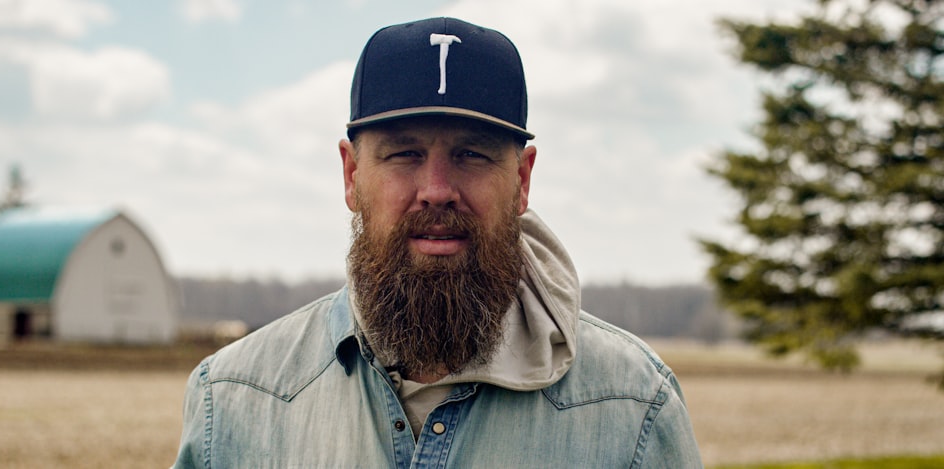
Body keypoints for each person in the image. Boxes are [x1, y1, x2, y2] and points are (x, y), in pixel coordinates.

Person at [172, 17, 702, 468]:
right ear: (351, 174)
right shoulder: (235, 403)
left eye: (472, 154)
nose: (437, 191)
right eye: (404, 154)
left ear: (522, 181)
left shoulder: (633, 410)